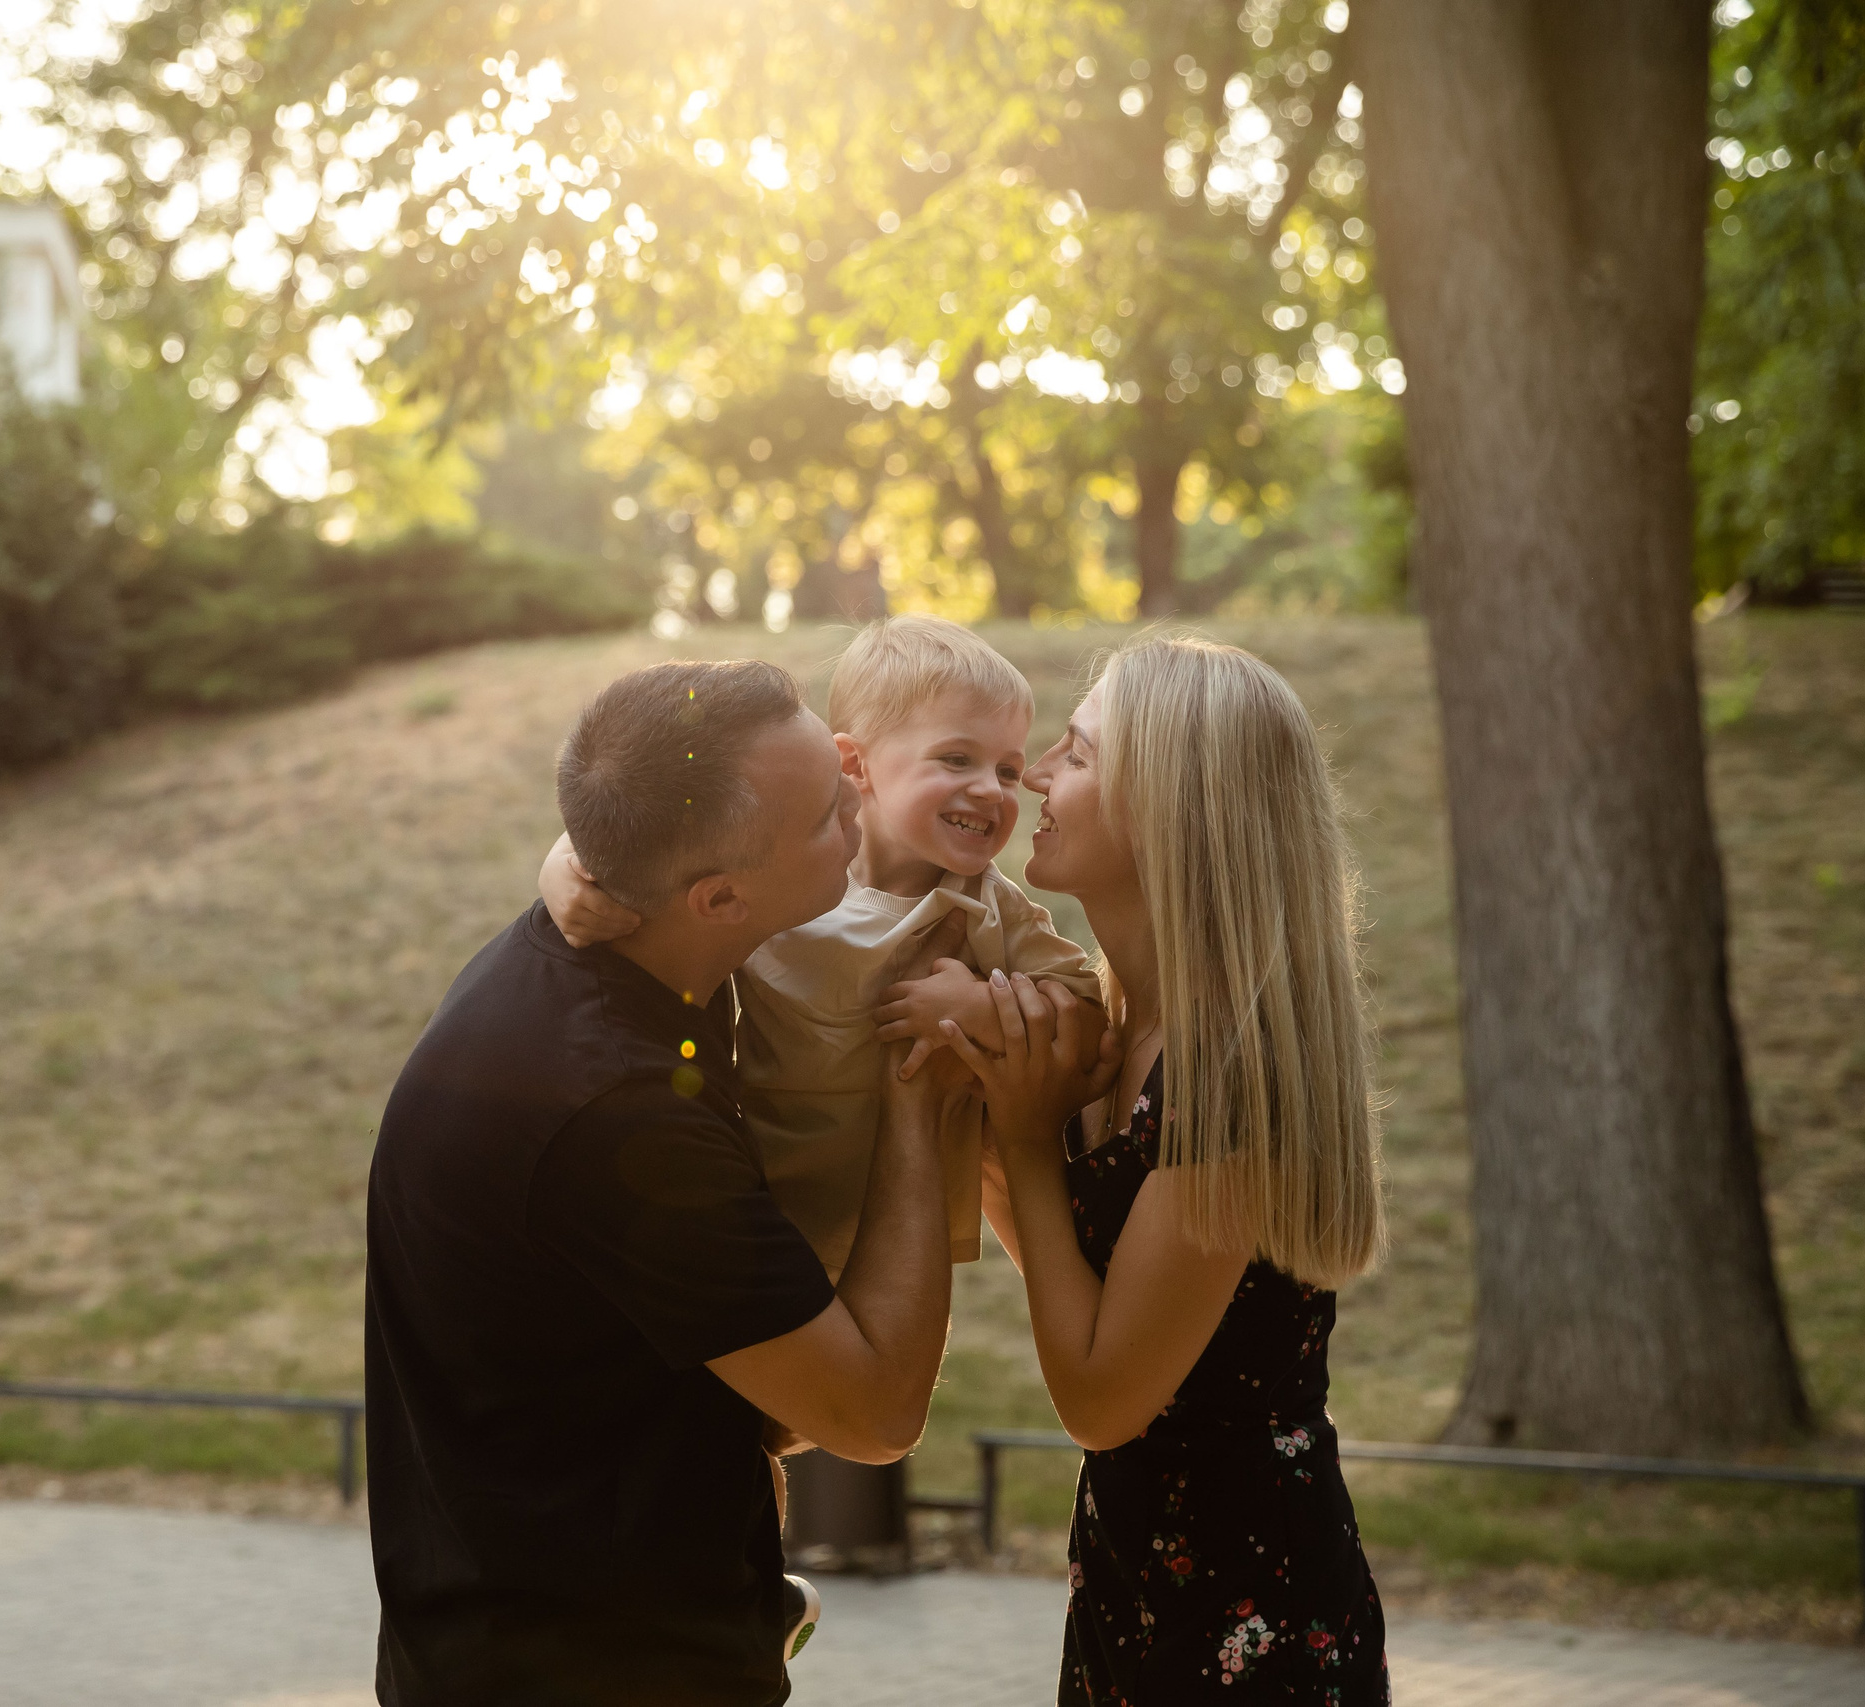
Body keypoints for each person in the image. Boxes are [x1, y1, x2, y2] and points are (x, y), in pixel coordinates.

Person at [363, 658, 969, 1706]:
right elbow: (871, 1414)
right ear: (719, 896)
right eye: (831, 812)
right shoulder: (613, 1109)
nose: (862, 801)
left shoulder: (616, 938)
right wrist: (921, 1095)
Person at [887, 634, 1390, 1704]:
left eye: (1075, 751)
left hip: (1249, 1616)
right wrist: (989, 1127)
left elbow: (1101, 1397)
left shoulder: (1229, 1066)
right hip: (1136, 1573)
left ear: (1168, 803)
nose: (1035, 777)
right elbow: (1092, 1295)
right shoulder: (1123, 1025)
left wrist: (1024, 1140)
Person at [541, 615, 1101, 1278]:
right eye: (957, 758)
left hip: (906, 1213)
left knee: (893, 1350)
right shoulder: (792, 877)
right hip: (772, 1192)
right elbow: (655, 848)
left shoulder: (984, 901)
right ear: (855, 764)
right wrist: (562, 868)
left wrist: (977, 1005)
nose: (990, 787)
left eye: (1007, 770)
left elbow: (1087, 1016)